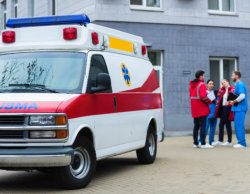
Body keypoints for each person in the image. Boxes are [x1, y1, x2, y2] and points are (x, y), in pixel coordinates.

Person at [190, 70, 213, 148]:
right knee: (203, 126)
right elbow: (203, 96)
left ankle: (195, 143)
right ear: (200, 76)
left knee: (196, 126)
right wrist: (209, 101)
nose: (204, 77)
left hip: (194, 108)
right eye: (203, 75)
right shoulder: (202, 84)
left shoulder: (192, 85)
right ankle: (203, 143)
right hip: (201, 108)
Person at [229, 71, 248, 148]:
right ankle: (240, 141)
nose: (231, 77)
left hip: (240, 108)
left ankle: (242, 143)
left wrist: (233, 101)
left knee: (239, 125)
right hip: (238, 108)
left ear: (237, 76)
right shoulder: (237, 84)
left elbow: (242, 96)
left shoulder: (240, 84)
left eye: (232, 75)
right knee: (237, 125)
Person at [214, 79, 234, 146]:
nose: (223, 84)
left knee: (228, 124)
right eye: (222, 83)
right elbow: (218, 96)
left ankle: (229, 141)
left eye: (224, 82)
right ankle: (220, 140)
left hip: (228, 108)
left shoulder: (232, 89)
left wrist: (228, 104)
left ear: (228, 82)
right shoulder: (222, 90)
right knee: (221, 125)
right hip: (222, 108)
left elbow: (234, 100)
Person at [198, 80, 217, 145]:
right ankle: (200, 141)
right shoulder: (204, 93)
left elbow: (217, 102)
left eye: (212, 84)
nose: (211, 85)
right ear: (207, 85)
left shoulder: (214, 93)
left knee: (213, 128)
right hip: (207, 113)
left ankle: (211, 141)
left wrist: (215, 100)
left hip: (214, 112)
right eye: (210, 84)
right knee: (205, 128)